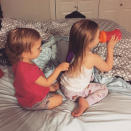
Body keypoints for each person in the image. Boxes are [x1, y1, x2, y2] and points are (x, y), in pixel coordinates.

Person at [60, 19, 119, 117]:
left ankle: (78, 98)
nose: (100, 37)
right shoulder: (92, 58)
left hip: (65, 87)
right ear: (89, 42)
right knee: (103, 89)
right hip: (76, 90)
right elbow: (108, 67)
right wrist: (110, 48)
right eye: (97, 36)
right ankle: (85, 102)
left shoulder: (72, 49)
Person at [5, 28, 69, 110]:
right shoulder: (27, 70)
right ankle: (39, 104)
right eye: (38, 48)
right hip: (32, 101)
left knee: (53, 87)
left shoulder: (19, 62)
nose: (41, 49)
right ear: (25, 53)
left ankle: (47, 91)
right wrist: (58, 69)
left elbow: (29, 81)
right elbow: (46, 82)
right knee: (59, 98)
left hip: (28, 92)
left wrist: (48, 87)